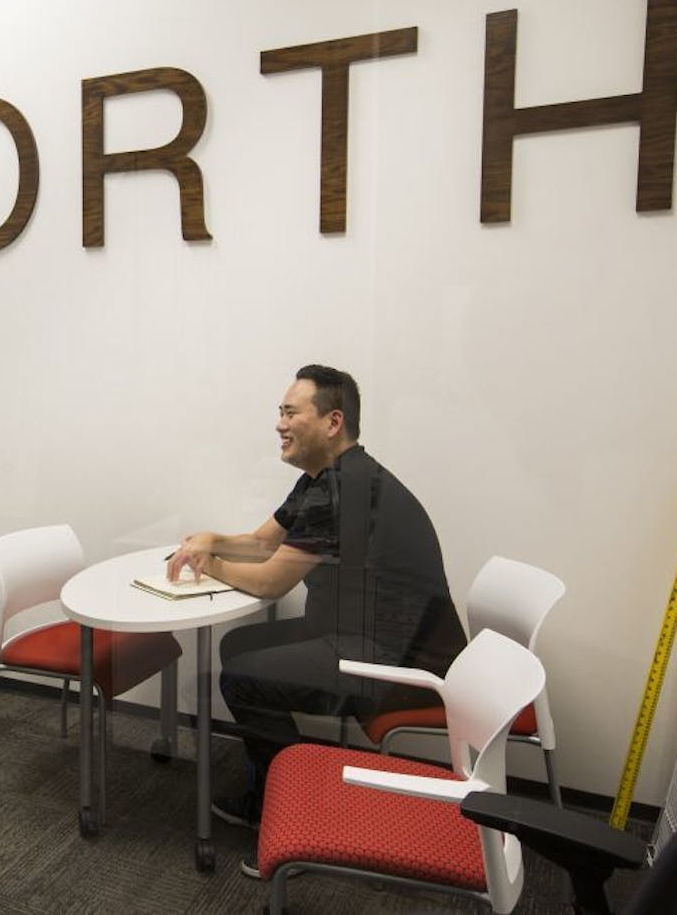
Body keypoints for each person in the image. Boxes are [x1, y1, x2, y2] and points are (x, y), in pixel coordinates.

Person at [167, 364, 466, 855]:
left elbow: (271, 577)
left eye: (291, 412)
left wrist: (210, 564)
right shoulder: (326, 478)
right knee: (240, 644)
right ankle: (287, 779)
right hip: (363, 635)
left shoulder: (343, 489)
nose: (280, 424)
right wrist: (211, 540)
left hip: (392, 662)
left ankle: (288, 808)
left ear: (332, 421)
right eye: (279, 413)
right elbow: (264, 543)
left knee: (240, 676)